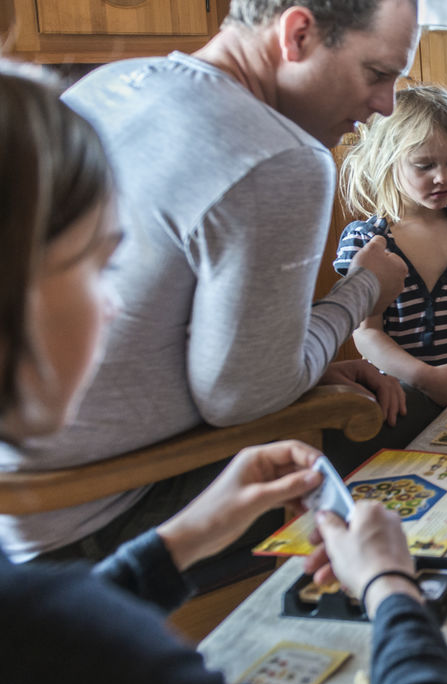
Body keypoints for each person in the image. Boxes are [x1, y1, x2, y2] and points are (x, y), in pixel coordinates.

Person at [0, 62, 447, 684]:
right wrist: (393, 588)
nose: (116, 302)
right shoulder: (74, 657)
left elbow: (60, 624)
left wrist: (183, 535)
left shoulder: (46, 624)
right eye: (95, 264)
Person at [0, 0, 423, 566]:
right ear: (296, 35)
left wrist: (301, 364)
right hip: (94, 519)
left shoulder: (111, 83)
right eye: (376, 74)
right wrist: (364, 287)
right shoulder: (281, 156)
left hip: (19, 511)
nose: (385, 105)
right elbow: (241, 399)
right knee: (419, 428)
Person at [335, 85, 447, 407]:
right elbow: (366, 334)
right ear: (388, 161)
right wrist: (425, 377)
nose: (442, 177)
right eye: (424, 165)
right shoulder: (367, 241)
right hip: (406, 394)